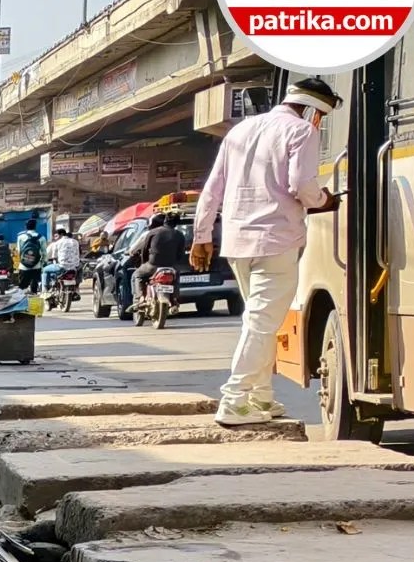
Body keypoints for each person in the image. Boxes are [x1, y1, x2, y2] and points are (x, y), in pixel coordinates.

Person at [193, 74, 340, 427]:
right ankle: (234, 398)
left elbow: (212, 188)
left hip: (237, 242)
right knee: (262, 323)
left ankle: (261, 398)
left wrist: (202, 236)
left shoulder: (239, 131)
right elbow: (302, 186)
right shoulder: (302, 131)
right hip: (277, 241)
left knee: (260, 320)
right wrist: (325, 200)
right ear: (314, 111)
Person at [133, 213, 190, 313]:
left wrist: (144, 263)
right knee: (176, 278)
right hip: (172, 266)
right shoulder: (180, 235)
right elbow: (180, 254)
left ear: (165, 221)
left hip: (152, 265)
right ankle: (174, 300)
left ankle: (141, 298)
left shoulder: (153, 232)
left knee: (137, 275)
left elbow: (145, 251)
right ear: (177, 223)